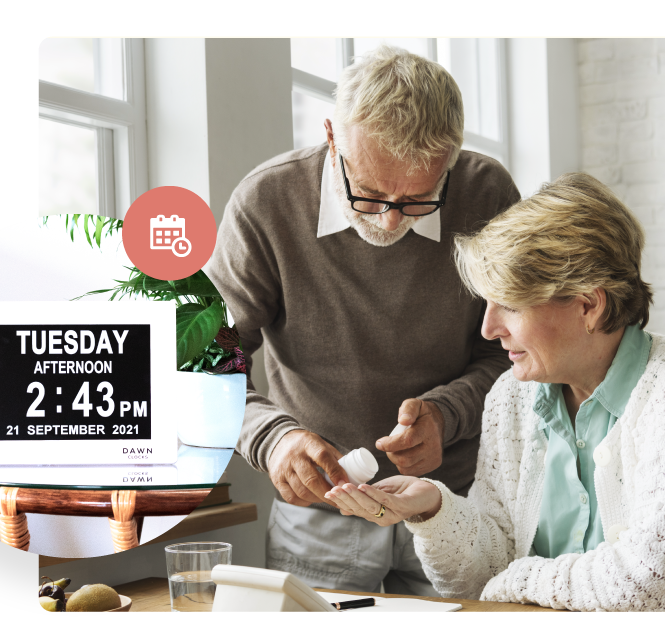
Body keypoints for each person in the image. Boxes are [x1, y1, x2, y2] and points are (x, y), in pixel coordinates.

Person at [326, 172, 665, 611]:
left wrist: (519, 577)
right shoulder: (510, 397)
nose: (489, 329)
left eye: (509, 304)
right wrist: (434, 510)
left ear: (588, 304)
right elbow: (480, 576)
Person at [204, 45, 518, 594]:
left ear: (452, 158)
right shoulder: (267, 202)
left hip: (456, 504)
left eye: (420, 199)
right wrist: (271, 438)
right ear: (332, 136)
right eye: (369, 193)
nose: (390, 219)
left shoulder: (486, 193)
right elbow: (204, 360)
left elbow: (510, 352)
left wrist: (447, 416)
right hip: (320, 513)